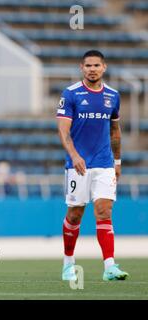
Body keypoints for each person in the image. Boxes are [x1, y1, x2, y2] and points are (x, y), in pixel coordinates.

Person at [56, 50, 128, 282]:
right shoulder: (71, 94)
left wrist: (117, 161)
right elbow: (63, 130)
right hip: (78, 165)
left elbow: (114, 130)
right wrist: (75, 155)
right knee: (75, 214)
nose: (92, 69)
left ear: (104, 67)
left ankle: (109, 266)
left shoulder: (113, 96)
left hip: (104, 163)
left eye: (96, 65)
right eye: (88, 65)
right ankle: (68, 262)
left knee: (104, 211)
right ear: (81, 67)